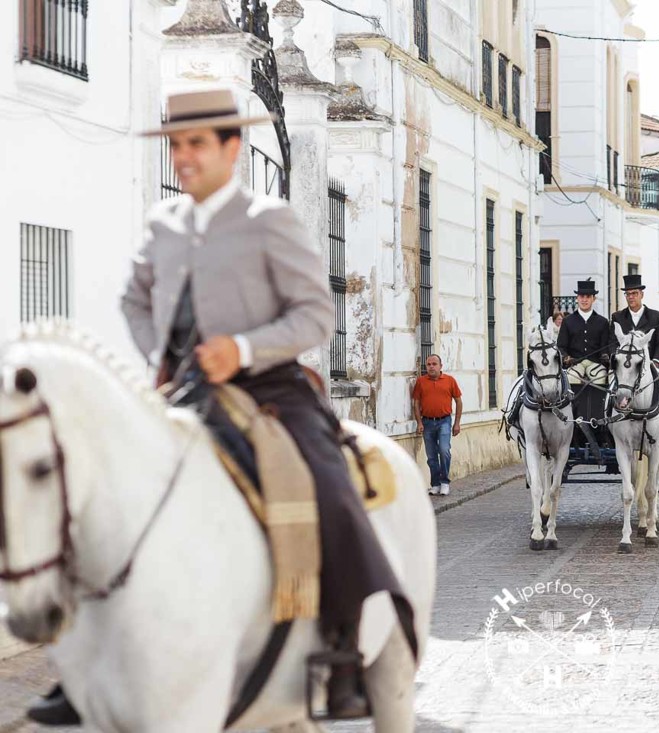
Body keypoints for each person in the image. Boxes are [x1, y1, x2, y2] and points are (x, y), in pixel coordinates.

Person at [22, 89, 410, 726]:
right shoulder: (164, 223)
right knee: (87, 491)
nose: (183, 157)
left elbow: (316, 314)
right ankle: (79, 664)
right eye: (175, 145)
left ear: (232, 148)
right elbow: (133, 301)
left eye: (196, 143)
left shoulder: (269, 220)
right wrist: (160, 360)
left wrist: (245, 348)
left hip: (271, 391)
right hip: (183, 392)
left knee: (327, 483)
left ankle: (343, 648)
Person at [556, 279, 611, 423]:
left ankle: (599, 419)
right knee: (571, 380)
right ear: (577, 298)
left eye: (588, 297)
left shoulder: (603, 322)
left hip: (596, 364)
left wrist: (605, 356)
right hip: (575, 364)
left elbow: (606, 346)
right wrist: (566, 357)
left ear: (593, 299)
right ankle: (572, 419)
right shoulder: (568, 321)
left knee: (600, 379)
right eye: (581, 296)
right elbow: (561, 345)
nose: (584, 300)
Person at [412, 354, 463, 496]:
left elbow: (458, 401)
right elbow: (416, 403)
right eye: (428, 364)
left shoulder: (449, 381)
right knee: (431, 456)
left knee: (444, 450)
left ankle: (445, 482)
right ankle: (435, 484)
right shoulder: (421, 382)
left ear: (441, 366)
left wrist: (457, 423)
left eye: (434, 364)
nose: (431, 367)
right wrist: (419, 422)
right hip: (427, 422)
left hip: (444, 421)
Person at [610, 273, 659, 365]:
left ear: (641, 294)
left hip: (650, 364)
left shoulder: (656, 317)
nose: (631, 297)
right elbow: (612, 342)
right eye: (627, 294)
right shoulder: (617, 317)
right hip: (624, 365)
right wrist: (617, 359)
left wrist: (656, 361)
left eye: (634, 293)